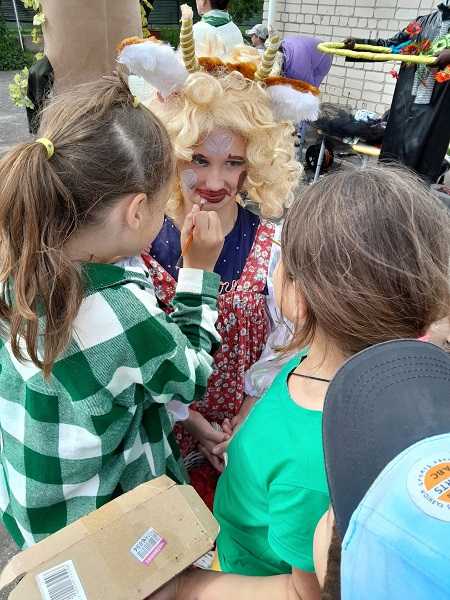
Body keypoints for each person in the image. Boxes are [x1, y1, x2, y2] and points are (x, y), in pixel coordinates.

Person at [0, 74, 225, 548]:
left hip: (38, 511)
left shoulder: (18, 262)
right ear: (136, 210)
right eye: (163, 206)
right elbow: (190, 376)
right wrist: (198, 272)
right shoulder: (115, 312)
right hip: (103, 529)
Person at [118, 7, 320, 508]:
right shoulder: (136, 241)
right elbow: (129, 352)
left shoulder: (272, 244)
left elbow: (284, 342)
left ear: (255, 164)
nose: (214, 182)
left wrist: (244, 417)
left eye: (233, 163)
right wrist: (189, 419)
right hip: (155, 438)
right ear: (171, 152)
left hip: (239, 435)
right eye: (198, 160)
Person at [150, 339, 450, 600]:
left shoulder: (311, 473)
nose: (333, 513)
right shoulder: (309, 366)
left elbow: (305, 592)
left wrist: (186, 587)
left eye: (336, 516)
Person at [344, 3, 450, 182]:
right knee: (390, 169)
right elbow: (392, 45)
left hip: (434, 115)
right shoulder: (422, 23)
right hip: (405, 108)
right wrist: (358, 45)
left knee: (418, 177)